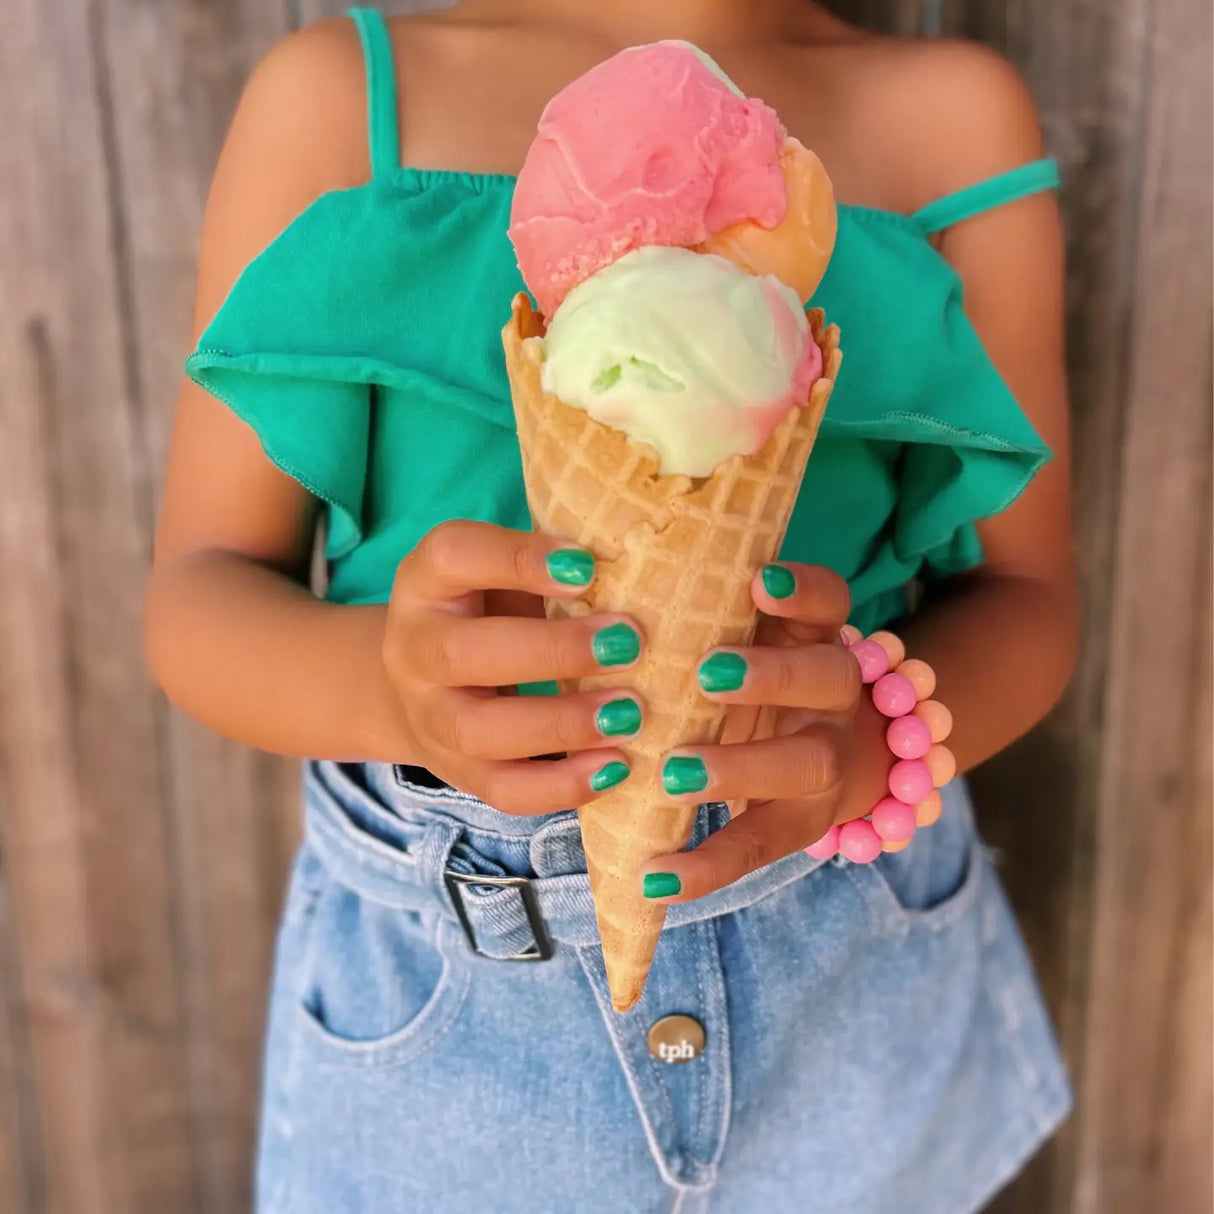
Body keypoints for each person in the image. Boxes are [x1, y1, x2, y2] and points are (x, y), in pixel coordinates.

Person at [144, 2, 1078, 1210]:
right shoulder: (337, 98)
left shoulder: (950, 117)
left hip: (851, 986)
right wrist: (387, 686)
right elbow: (201, 592)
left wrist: (869, 741)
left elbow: (1026, 595)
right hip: (450, 1033)